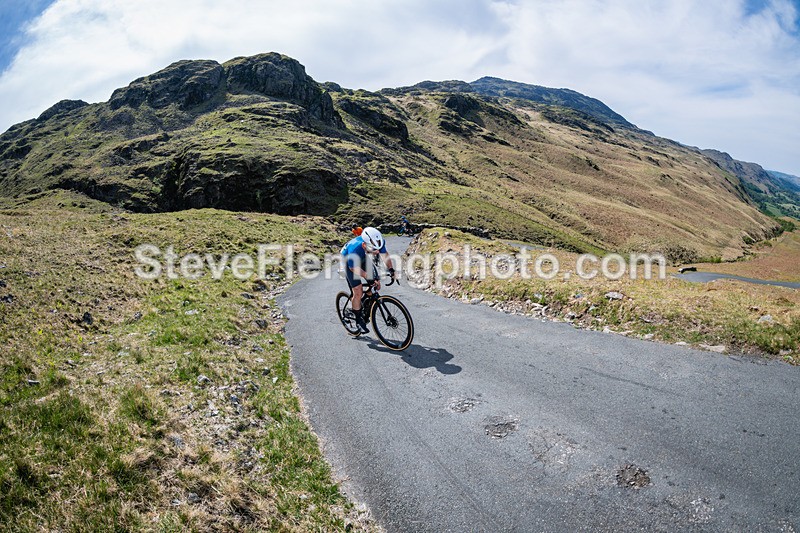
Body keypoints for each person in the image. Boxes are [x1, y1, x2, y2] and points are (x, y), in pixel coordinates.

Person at [340, 227, 397, 333]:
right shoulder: (355, 247)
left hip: (362, 257)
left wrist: (391, 270)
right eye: (373, 250)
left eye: (378, 249)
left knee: (375, 285)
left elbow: (385, 255)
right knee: (358, 291)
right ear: (364, 244)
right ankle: (358, 320)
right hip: (349, 261)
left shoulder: (378, 241)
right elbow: (353, 268)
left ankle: (363, 303)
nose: (376, 252)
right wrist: (367, 277)